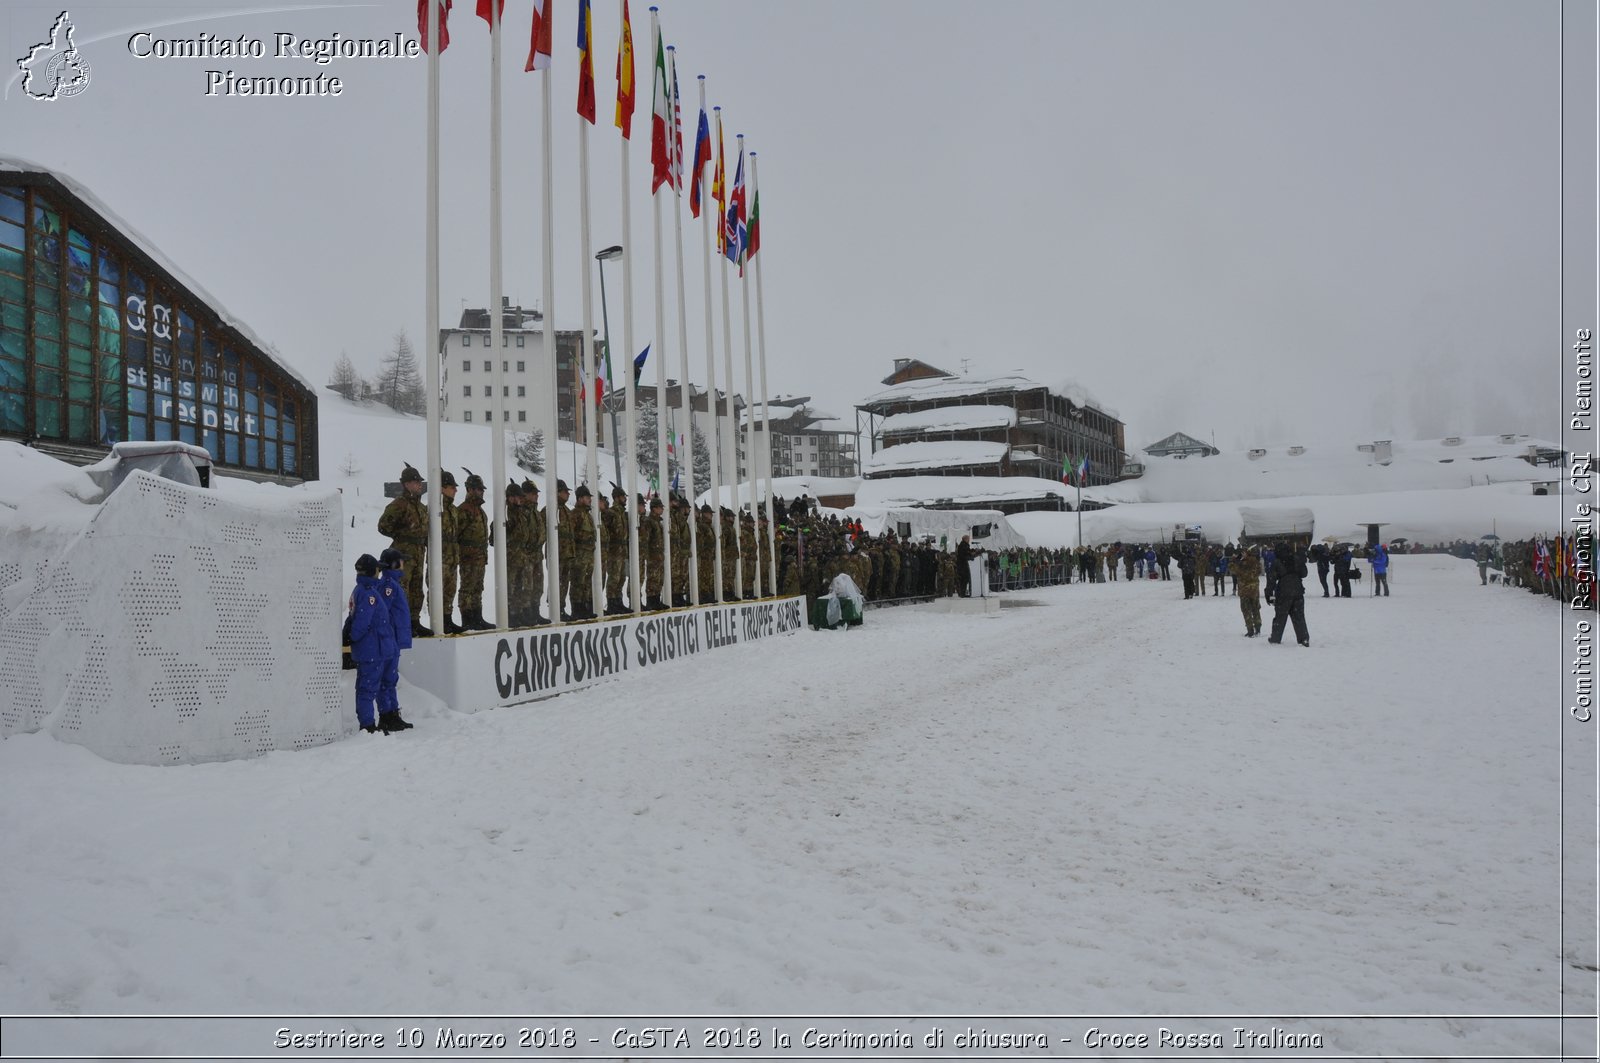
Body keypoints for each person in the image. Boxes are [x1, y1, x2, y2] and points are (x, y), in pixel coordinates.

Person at [377, 465, 430, 636]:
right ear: (407, 484)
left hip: (419, 552)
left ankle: (415, 622)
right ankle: (401, 624)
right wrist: (402, 536)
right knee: (402, 589)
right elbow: (383, 526)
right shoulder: (399, 504)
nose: (419, 484)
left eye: (420, 482)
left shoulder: (422, 508)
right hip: (404, 553)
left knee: (417, 589)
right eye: (416, 482)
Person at [347, 554, 397, 734]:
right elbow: (361, 622)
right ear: (371, 571)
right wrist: (353, 637)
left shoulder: (362, 589)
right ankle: (368, 726)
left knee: (366, 687)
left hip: (371, 648)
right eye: (377, 568)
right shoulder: (369, 593)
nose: (379, 571)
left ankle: (369, 724)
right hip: (372, 649)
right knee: (367, 689)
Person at [376, 549, 415, 731]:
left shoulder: (392, 583)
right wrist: (388, 634)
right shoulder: (388, 585)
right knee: (386, 679)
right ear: (394, 564)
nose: (404, 564)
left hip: (392, 640)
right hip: (389, 640)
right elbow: (382, 612)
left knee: (391, 678)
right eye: (401, 561)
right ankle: (386, 716)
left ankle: (392, 713)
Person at [456, 471, 492, 629]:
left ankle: (477, 617)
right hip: (468, 557)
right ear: (469, 489)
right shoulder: (463, 510)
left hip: (480, 557)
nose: (481, 492)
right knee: (467, 588)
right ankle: (467, 618)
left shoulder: (481, 512)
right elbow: (456, 534)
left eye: (482, 489)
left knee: (478, 587)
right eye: (478, 489)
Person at [1267, 541, 1310, 647]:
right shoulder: (1296, 558)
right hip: (1298, 590)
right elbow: (1304, 574)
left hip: (1284, 591)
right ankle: (1304, 639)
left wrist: (1269, 594)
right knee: (1299, 616)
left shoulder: (1277, 562)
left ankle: (1275, 638)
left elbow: (1271, 580)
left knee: (1280, 616)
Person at [1234, 545, 1263, 637]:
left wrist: (1234, 561)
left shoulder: (1242, 563)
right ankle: (1258, 628)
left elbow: (1234, 571)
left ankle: (1250, 629)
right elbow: (1259, 572)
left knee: (1246, 610)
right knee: (1256, 609)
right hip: (1254, 590)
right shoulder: (1256, 562)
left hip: (1245, 590)